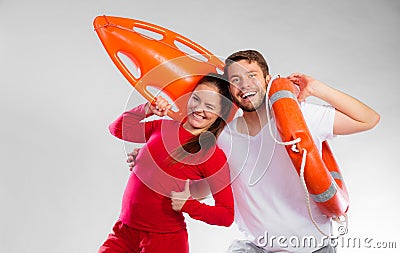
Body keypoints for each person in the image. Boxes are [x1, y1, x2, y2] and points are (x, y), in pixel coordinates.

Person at [127, 50, 380, 253]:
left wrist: (316, 88)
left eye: (252, 75)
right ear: (230, 90)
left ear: (267, 80)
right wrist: (149, 159)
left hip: (312, 248)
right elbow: (208, 184)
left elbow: (367, 119)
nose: (244, 84)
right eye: (235, 79)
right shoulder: (222, 137)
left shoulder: (302, 117)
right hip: (254, 248)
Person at [98, 74, 235, 253]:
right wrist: (147, 109)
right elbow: (117, 129)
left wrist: (189, 205)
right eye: (196, 99)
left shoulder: (213, 156)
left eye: (209, 106)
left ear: (220, 114)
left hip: (164, 242)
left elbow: (226, 216)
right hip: (124, 231)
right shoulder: (162, 126)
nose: (199, 109)